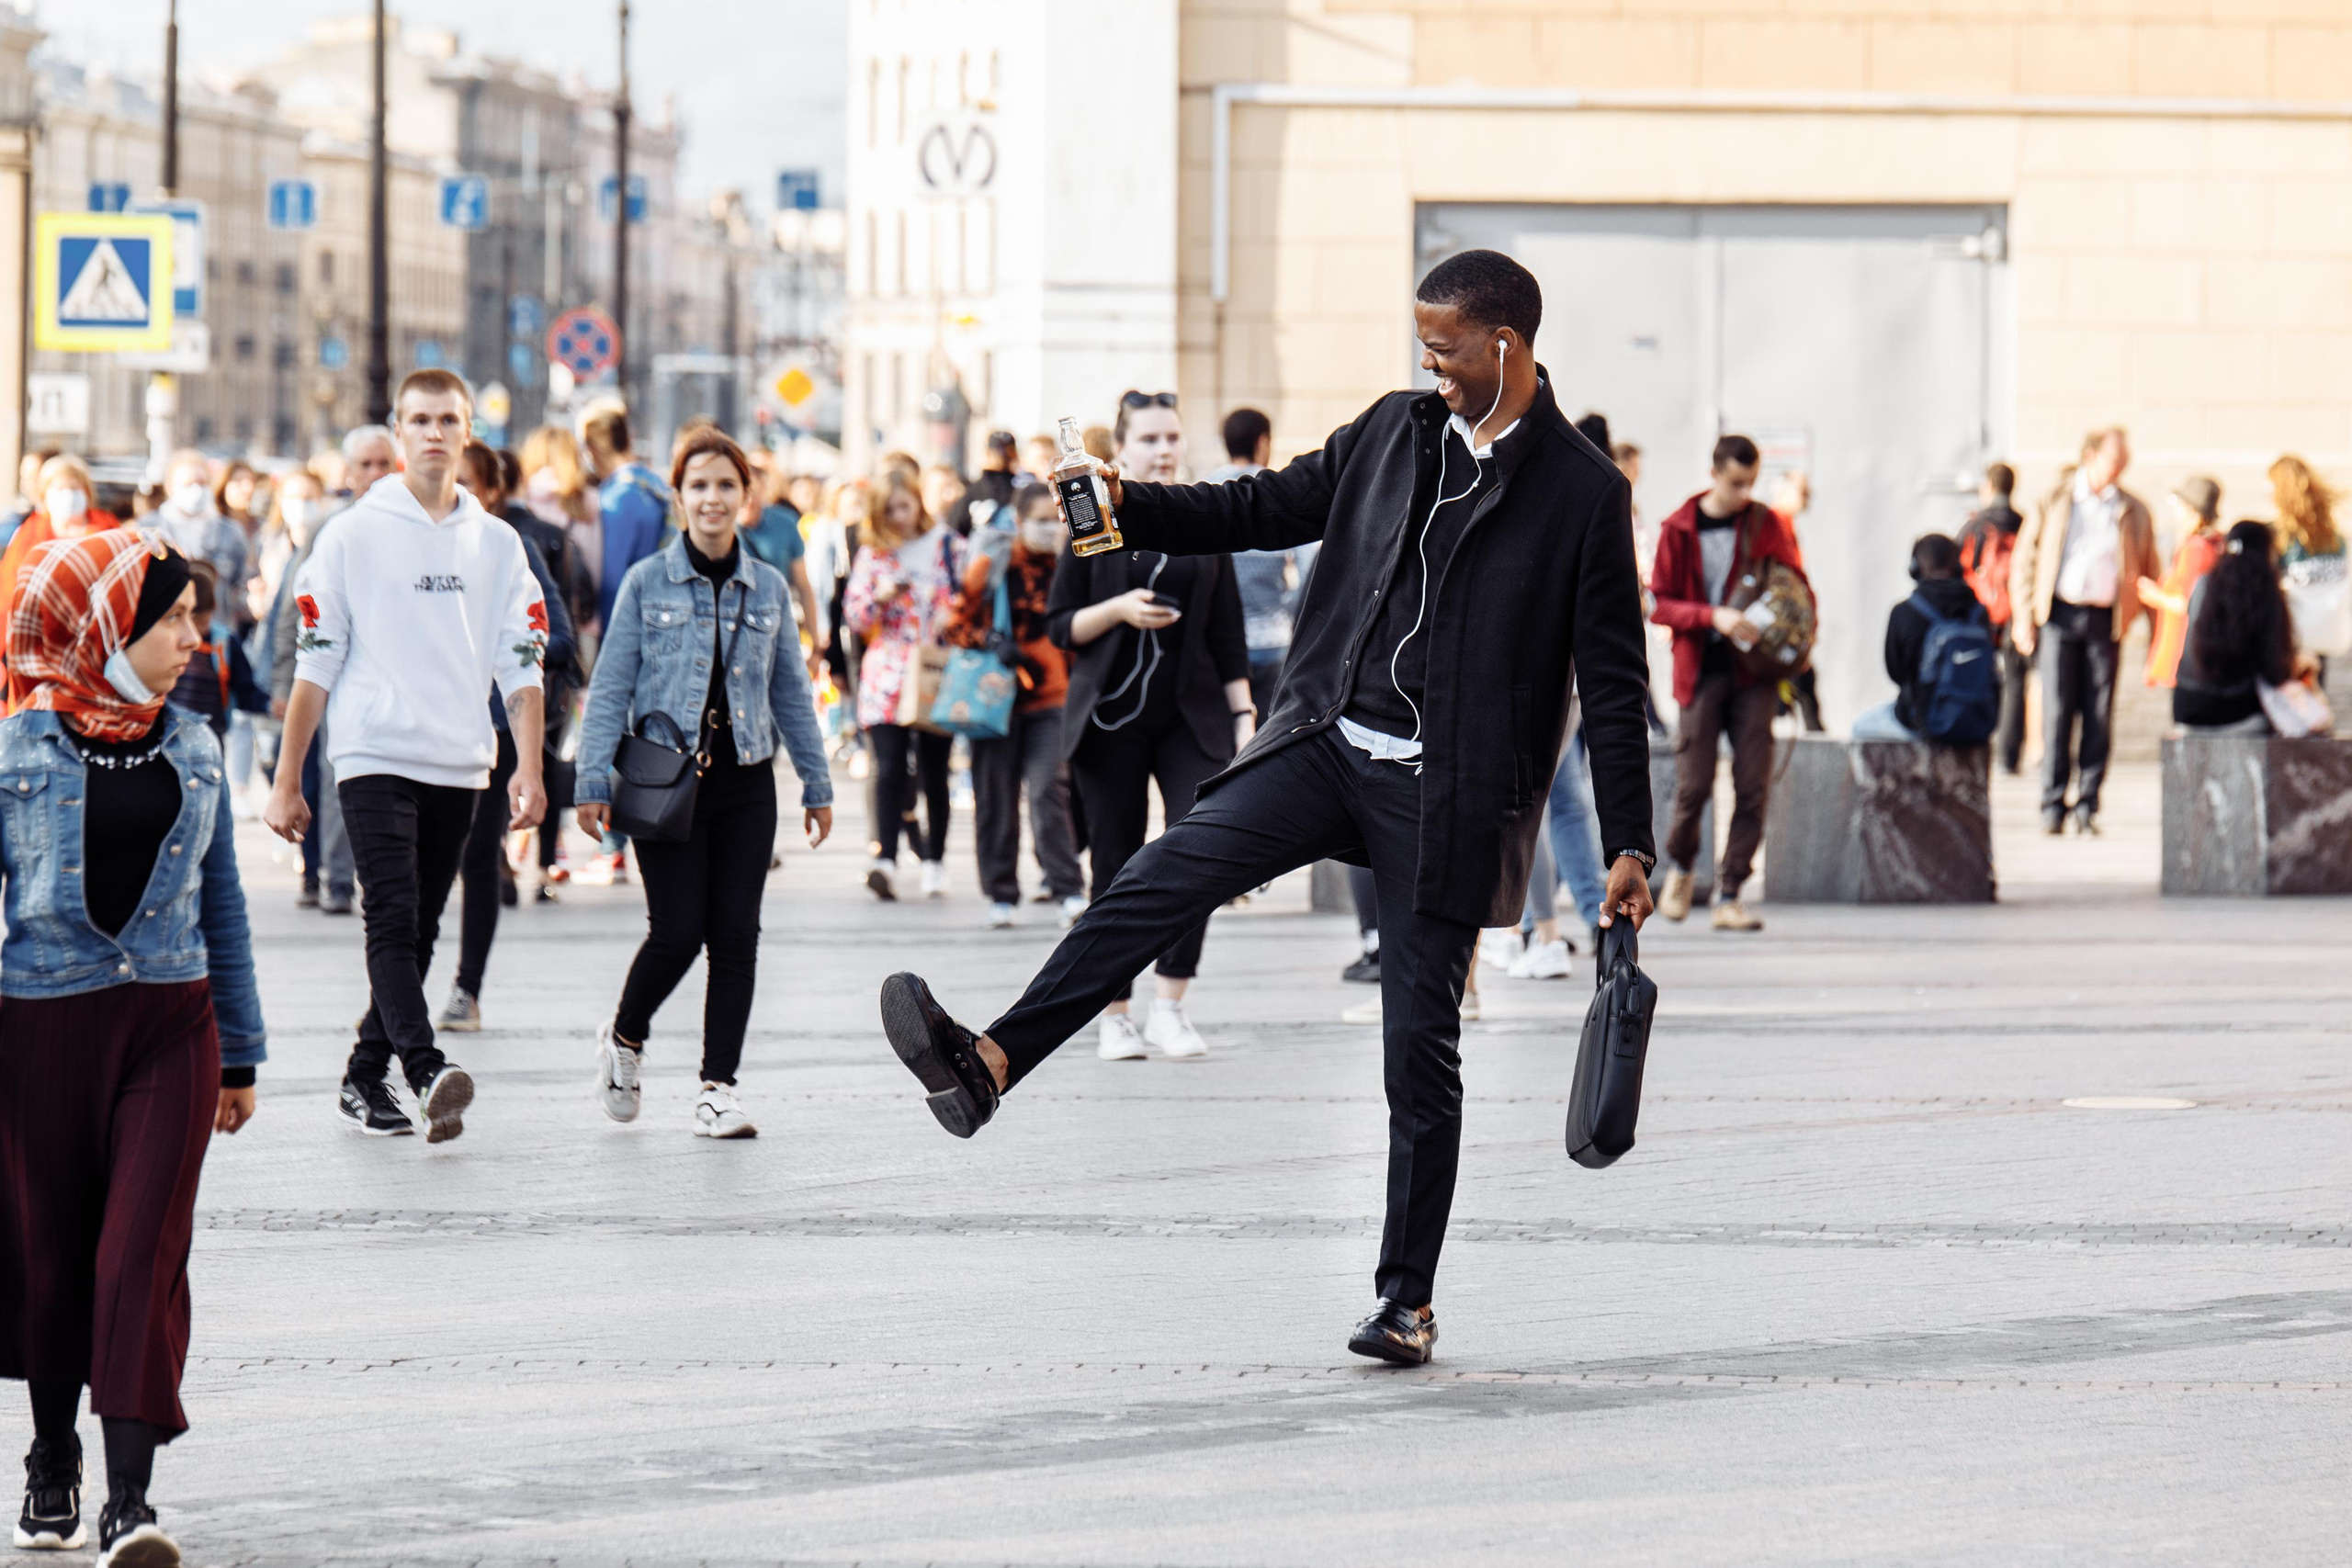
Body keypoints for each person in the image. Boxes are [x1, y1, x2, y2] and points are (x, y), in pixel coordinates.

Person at [874, 249, 1656, 1366]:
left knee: (1419, 1053)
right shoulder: (1392, 431)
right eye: (1422, 351)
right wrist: (1123, 504)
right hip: (1326, 739)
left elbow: (1613, 680)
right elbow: (1257, 505)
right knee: (1157, 875)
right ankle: (990, 1063)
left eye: (1444, 353)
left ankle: (1405, 1303)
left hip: (1446, 796)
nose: (1429, 371)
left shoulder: (1583, 491)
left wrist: (1628, 842)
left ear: (1505, 347)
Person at [0, 532, 264, 1565]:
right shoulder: (16, 749)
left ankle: (129, 1502)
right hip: (43, 1024)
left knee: (136, 1254)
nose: (196, 638)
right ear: (106, 631)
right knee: (52, 1257)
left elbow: (222, 902)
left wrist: (240, 1053)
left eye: (196, 616)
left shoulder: (196, 745)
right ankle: (52, 1454)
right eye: (175, 619)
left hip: (171, 1023)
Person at [263, 369, 548, 1145]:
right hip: (373, 753)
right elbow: (315, 662)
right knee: (390, 915)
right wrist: (288, 778)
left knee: (420, 927)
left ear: (467, 432)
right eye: (419, 419)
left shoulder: (498, 543)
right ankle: (425, 1071)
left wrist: (528, 766)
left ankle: (363, 1075)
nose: (433, 432)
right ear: (398, 433)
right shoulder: (351, 534)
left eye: (447, 419)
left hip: (459, 760)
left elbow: (521, 662)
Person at [571, 429, 836, 1137]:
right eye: (699, 486)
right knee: (678, 932)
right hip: (664, 781)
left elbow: (790, 692)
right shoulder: (646, 582)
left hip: (747, 782)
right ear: (679, 497)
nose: (712, 498)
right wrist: (592, 779)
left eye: (725, 485)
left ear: (746, 496)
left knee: (736, 936)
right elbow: (610, 686)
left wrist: (816, 781)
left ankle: (718, 1088)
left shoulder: (768, 586)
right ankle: (625, 1038)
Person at [1046, 390, 1250, 1062]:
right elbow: (1060, 625)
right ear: (1122, 449)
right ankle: (1114, 1012)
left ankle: (1171, 1005)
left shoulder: (1203, 514)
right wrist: (1119, 610)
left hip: (1192, 717)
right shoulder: (1090, 514)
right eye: (1150, 439)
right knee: (1115, 860)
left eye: (1172, 437)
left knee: (1200, 851)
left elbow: (1228, 635)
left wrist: (1245, 717)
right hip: (1110, 719)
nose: (1164, 450)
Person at [436, 443, 579, 1032]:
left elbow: (559, 636)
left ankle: (466, 989)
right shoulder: (402, 542)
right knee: (416, 863)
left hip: (491, 728)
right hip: (421, 728)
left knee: (478, 857)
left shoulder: (508, 546)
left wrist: (506, 653)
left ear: (492, 491)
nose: (450, 492)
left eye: (466, 482)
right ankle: (395, 993)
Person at [1650, 434, 1804, 933]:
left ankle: (1731, 892)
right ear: (1714, 472)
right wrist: (1711, 616)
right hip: (1699, 670)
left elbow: (1795, 587)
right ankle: (1681, 868)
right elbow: (1658, 605)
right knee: (1693, 785)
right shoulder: (1679, 528)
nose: (1743, 493)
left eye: (1751, 483)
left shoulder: (1765, 523)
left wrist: (1789, 633)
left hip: (1754, 673)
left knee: (1752, 785)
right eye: (1736, 482)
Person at [266, 427, 395, 916]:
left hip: (393, 677)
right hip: (333, 675)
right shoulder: (331, 529)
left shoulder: (414, 525)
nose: (375, 474)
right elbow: (291, 610)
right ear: (348, 472)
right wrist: (285, 682)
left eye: (384, 464)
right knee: (335, 775)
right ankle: (337, 880)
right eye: (366, 465)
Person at [2009, 427, 2158, 836]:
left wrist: (2156, 636)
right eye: (2114, 459)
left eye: (2124, 460)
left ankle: (2087, 805)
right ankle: (2052, 803)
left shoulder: (2133, 510)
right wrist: (2023, 617)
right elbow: (2025, 560)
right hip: (2059, 615)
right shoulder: (2055, 499)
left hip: (2105, 621)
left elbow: (2150, 569)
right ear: (2089, 456)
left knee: (2099, 713)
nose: (2121, 467)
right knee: (2057, 711)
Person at [951, 483, 1086, 931]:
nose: (1049, 529)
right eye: (1040, 520)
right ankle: (1001, 892)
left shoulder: (1072, 563)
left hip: (1054, 697)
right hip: (996, 699)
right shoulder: (994, 563)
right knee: (996, 797)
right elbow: (955, 623)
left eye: (1056, 520)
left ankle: (1068, 888)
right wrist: (989, 639)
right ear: (1019, 521)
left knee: (1049, 790)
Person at [844, 471, 957, 900]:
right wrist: (880, 597)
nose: (898, 516)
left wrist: (952, 613)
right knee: (888, 767)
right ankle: (885, 858)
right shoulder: (873, 554)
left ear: (918, 504)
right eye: (889, 509)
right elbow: (855, 616)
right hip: (888, 672)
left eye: (904, 506)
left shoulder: (946, 545)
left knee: (935, 771)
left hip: (934, 668)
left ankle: (935, 861)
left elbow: (973, 594)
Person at [1208, 406, 1320, 718]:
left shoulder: (1208, 489)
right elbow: (1309, 570)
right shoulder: (1279, 492)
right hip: (1272, 638)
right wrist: (1287, 612)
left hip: (1218, 645)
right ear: (1263, 441)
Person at [2174, 522, 2317, 732]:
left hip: (2186, 706)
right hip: (2239, 711)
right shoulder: (2266, 591)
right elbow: (2274, 669)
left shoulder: (2204, 583)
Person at [1851, 535, 1993, 741]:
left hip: (1921, 723)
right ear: (1958, 567)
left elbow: (1896, 673)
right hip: (1976, 724)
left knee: (1859, 727)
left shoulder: (1904, 611)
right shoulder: (1979, 613)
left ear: (1915, 569)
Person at [1957, 462, 2030, 773]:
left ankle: (1974, 748)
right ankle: (2008, 758)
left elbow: (1958, 567)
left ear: (1989, 487)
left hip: (1981, 614)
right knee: (2015, 683)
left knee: (1973, 676)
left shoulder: (1975, 525)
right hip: (2017, 613)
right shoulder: (2024, 523)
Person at [2134, 475, 2224, 694]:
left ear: (2192, 511)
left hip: (2185, 652)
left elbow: (2187, 603)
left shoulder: (2196, 549)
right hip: (2198, 651)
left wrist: (2155, 596)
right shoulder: (2215, 543)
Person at [165, 563, 271, 740]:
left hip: (212, 737)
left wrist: (269, 705)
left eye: (202, 622)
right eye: (192, 621)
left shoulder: (225, 643)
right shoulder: (169, 640)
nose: (194, 636)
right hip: (172, 734)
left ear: (213, 609)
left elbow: (245, 689)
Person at [2268, 455, 2348, 677]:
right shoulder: (2334, 537)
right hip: (2323, 628)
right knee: (2312, 686)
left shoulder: (2279, 537)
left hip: (2292, 633)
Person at [738, 465, 824, 671]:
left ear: (764, 490)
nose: (749, 500)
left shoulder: (785, 523)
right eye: (743, 493)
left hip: (777, 627)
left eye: (754, 492)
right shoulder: (719, 529)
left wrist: (815, 644)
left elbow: (804, 586)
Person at [150, 452, 249, 619]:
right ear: (171, 487)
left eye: (202, 483)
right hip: (165, 625)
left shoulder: (231, 532)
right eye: (189, 484)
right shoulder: (149, 529)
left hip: (216, 626)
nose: (196, 490)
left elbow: (241, 584)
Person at [1768, 468, 1826, 732]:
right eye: (1803, 493)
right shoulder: (1773, 524)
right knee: (1800, 682)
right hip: (1784, 625)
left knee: (1803, 682)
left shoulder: (1785, 525)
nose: (1807, 499)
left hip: (1792, 623)